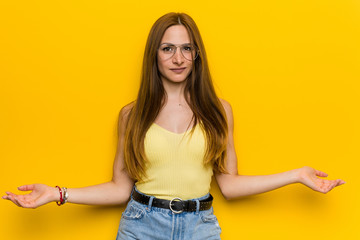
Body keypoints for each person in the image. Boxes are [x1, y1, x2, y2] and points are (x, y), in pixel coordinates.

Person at [2, 12, 345, 240]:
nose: (178, 58)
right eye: (168, 49)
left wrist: (296, 174)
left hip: (201, 227)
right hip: (141, 226)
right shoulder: (131, 114)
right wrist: (58, 193)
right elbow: (119, 189)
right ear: (155, 55)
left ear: (197, 55)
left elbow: (230, 185)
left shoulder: (218, 111)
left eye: (186, 49)